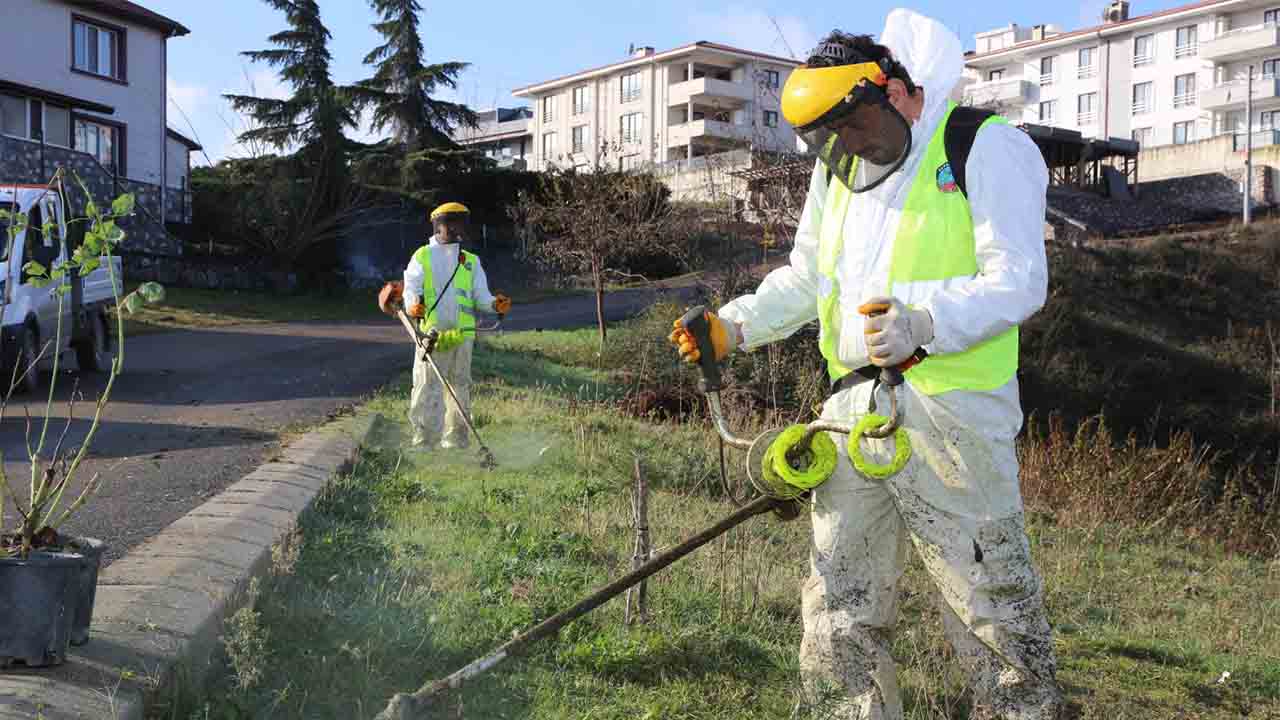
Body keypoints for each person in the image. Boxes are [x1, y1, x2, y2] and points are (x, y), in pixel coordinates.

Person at [668, 10, 1062, 719]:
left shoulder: (982, 146)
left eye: (858, 125)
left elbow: (1019, 280)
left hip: (954, 412)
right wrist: (734, 328)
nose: (848, 143)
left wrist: (925, 322)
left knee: (992, 612)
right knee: (838, 607)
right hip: (852, 414)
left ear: (901, 92)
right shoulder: (841, 172)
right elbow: (807, 278)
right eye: (832, 134)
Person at [402, 202, 511, 450]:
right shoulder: (423, 256)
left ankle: (456, 440)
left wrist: (496, 304)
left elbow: (481, 296)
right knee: (426, 387)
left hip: (463, 336)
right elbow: (411, 288)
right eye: (450, 223)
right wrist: (413, 306)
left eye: (460, 223)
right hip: (433, 335)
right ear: (438, 225)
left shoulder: (470, 261)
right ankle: (423, 442)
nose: (455, 228)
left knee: (460, 387)